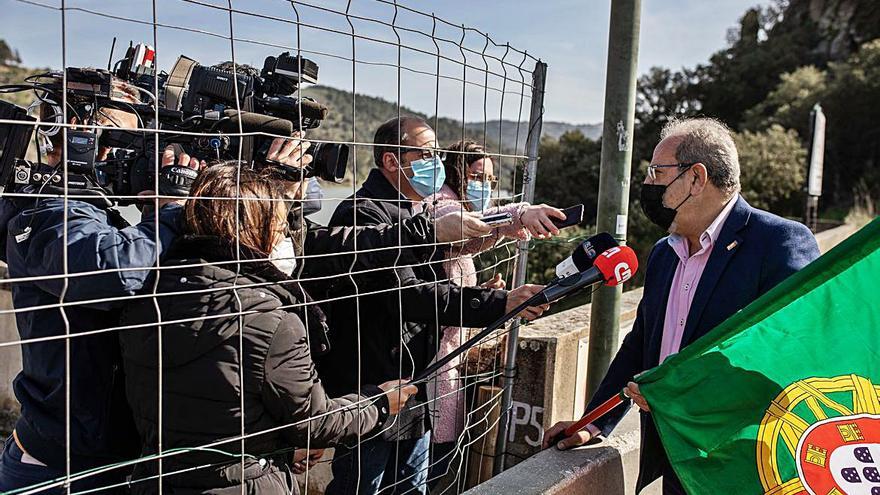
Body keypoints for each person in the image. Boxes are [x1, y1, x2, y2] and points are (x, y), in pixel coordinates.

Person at [543, 117, 820, 494]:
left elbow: (792, 354)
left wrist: (684, 390)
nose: (649, 184)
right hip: (674, 464)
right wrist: (593, 423)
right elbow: (641, 346)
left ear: (696, 178)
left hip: (745, 466)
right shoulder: (663, 254)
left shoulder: (778, 242)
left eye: (658, 172)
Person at [118, 162, 419, 494]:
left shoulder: (146, 294)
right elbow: (314, 423)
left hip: (155, 481)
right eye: (279, 228)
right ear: (252, 230)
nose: (286, 239)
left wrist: (284, 445)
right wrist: (378, 403)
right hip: (245, 483)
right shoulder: (271, 319)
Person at [321, 116, 550, 495]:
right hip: (374, 386)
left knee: (413, 486)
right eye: (424, 153)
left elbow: (455, 257)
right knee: (363, 486)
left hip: (416, 382)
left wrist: (516, 218)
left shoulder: (415, 212)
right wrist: (499, 302)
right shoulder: (365, 213)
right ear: (392, 161)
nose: (435, 162)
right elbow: (409, 296)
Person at [0, 81, 203, 493]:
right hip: (55, 468)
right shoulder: (43, 216)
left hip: (102, 455)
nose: (127, 154)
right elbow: (115, 273)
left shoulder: (91, 215)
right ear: (73, 129)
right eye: (121, 140)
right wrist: (171, 211)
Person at [424, 139, 565, 484]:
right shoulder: (442, 203)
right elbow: (462, 227)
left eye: (489, 180)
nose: (484, 186)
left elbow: (453, 276)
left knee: (433, 470)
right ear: (456, 171)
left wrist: (482, 294)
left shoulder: (458, 207)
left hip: (448, 364)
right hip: (429, 362)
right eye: (476, 176)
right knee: (423, 470)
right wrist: (518, 214)